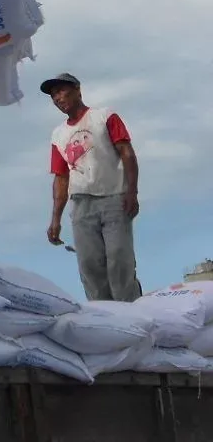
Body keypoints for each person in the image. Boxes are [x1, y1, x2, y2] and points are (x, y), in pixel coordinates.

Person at [43, 72, 142, 301]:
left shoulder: (104, 117)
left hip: (114, 198)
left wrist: (132, 191)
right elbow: (61, 178)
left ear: (78, 89)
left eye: (61, 90)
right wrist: (55, 219)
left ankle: (132, 312)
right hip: (81, 204)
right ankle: (104, 317)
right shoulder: (58, 135)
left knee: (119, 258)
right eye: (53, 95)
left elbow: (126, 153)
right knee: (89, 264)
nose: (57, 97)